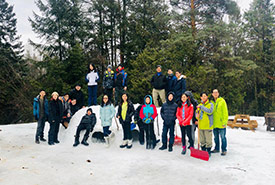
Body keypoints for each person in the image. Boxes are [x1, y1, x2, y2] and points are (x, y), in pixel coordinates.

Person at [211, 89, 228, 156]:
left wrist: (224, 122)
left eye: (216, 92)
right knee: (216, 137)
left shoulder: (222, 101)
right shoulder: (211, 102)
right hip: (215, 123)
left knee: (223, 137)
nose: (215, 94)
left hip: (221, 123)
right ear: (212, 94)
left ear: (218, 93)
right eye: (214, 93)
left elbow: (225, 112)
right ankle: (217, 148)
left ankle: (224, 149)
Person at [196, 92, 214, 156]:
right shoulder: (199, 105)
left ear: (207, 97)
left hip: (208, 125)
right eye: (202, 96)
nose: (203, 97)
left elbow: (210, 111)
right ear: (200, 97)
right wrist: (196, 115)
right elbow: (197, 113)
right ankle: (203, 150)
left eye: (205, 96)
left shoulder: (210, 104)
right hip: (201, 125)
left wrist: (201, 107)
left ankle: (208, 151)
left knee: (208, 140)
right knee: (202, 140)